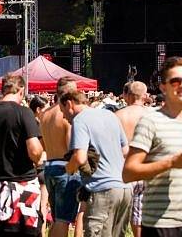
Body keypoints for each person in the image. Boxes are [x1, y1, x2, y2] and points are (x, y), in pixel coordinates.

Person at [124, 57, 182, 237]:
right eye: (175, 81)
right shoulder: (150, 121)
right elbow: (128, 172)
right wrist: (171, 163)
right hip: (160, 224)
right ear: (163, 87)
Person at [0, 75, 44, 237]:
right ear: (21, 90)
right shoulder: (24, 113)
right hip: (24, 185)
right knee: (29, 232)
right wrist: (39, 156)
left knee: (2, 233)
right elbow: (34, 150)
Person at [62, 88, 130, 237]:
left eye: (63, 111)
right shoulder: (110, 115)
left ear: (69, 104)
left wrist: (69, 168)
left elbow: (79, 157)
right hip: (124, 188)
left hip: (102, 190)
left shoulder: (80, 120)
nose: (64, 117)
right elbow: (125, 150)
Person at [40, 78, 81, 237]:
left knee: (57, 218)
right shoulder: (67, 115)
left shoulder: (45, 114)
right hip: (65, 167)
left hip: (49, 166)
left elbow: (43, 144)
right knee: (63, 220)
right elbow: (72, 145)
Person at [116, 81, 149, 237]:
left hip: (123, 169)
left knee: (120, 214)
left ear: (126, 95)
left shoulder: (117, 116)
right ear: (144, 96)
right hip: (146, 168)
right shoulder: (152, 115)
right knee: (140, 214)